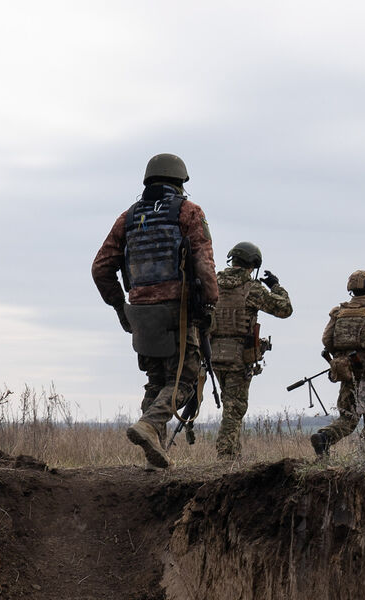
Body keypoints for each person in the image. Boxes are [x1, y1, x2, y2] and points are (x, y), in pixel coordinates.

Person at [91, 153, 218, 468]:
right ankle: (149, 426)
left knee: (156, 380)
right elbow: (204, 263)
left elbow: (100, 268)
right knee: (185, 381)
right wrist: (211, 301)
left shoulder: (128, 218)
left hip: (142, 314)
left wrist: (122, 308)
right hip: (178, 313)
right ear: (179, 182)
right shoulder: (188, 212)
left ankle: (154, 455)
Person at [211, 242, 293, 459]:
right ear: (253, 264)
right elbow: (285, 309)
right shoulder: (252, 288)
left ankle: (233, 457)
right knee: (235, 408)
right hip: (239, 356)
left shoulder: (213, 285)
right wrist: (275, 286)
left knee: (230, 405)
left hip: (214, 354)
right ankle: (225, 455)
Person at [310, 270, 365, 456]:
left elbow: (327, 341)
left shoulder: (338, 312)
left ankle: (324, 437)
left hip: (346, 372)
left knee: (348, 418)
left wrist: (343, 356)